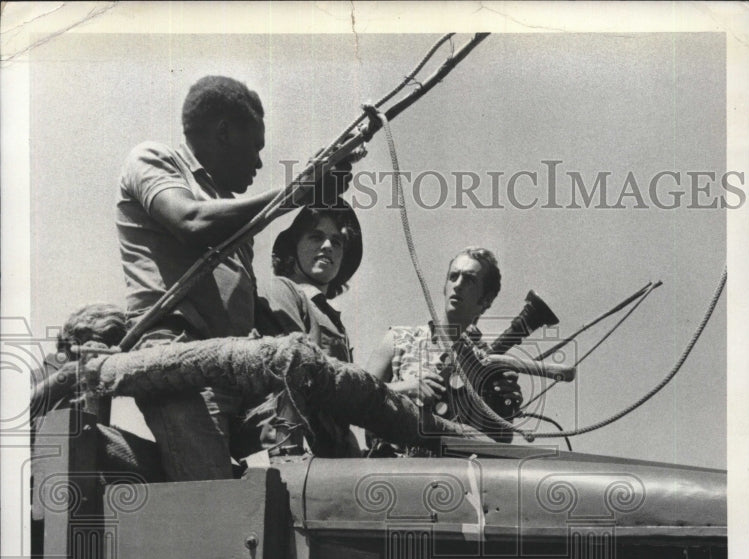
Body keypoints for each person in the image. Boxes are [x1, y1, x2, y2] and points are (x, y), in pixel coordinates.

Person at [116, 75, 349, 480]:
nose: (259, 164)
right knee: (213, 495)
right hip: (176, 360)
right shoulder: (153, 159)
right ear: (224, 132)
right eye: (255, 149)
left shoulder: (231, 212)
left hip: (230, 368)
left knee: (317, 428)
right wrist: (295, 192)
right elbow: (189, 221)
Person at [364, 247, 522, 448]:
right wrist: (404, 388)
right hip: (393, 470)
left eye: (470, 280)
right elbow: (357, 399)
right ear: (444, 286)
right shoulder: (398, 340)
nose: (458, 285)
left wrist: (506, 409)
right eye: (453, 276)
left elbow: (500, 443)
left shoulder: (489, 365)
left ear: (487, 299)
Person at [244, 200, 363, 456]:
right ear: (292, 248)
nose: (328, 246)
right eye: (316, 236)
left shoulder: (331, 317)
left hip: (331, 452)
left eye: (337, 241)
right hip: (291, 447)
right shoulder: (281, 290)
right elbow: (295, 372)